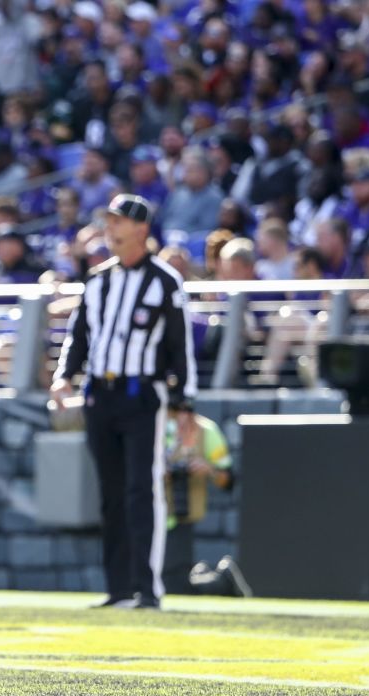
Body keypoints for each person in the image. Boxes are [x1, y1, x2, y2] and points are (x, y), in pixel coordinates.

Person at [50, 194, 196, 610]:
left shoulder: (165, 281)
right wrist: (64, 378)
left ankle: (147, 588)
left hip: (142, 394)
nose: (110, 229)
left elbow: (178, 346)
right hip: (100, 393)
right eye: (109, 221)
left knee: (140, 490)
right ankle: (117, 588)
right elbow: (79, 337)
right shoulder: (98, 280)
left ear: (141, 229)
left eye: (119, 222)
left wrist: (184, 404)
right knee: (110, 493)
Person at [161, 398, 241, 596]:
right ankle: (206, 575)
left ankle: (221, 582)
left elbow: (228, 481)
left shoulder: (207, 431)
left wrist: (208, 469)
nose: (181, 418)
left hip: (181, 515)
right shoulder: (154, 429)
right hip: (152, 515)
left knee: (172, 586)